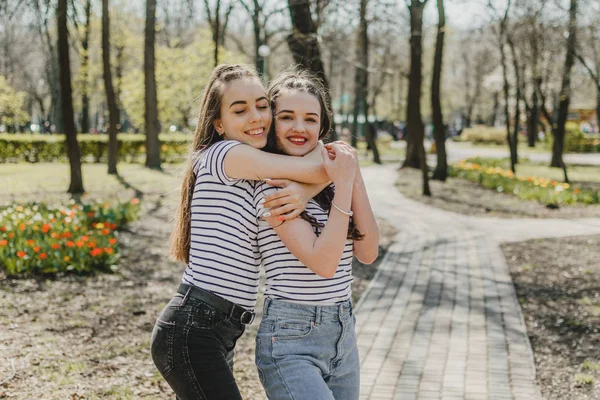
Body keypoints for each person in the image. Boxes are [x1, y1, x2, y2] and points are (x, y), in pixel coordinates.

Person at [150, 64, 330, 400]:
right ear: (219, 124)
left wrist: (311, 184)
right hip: (194, 328)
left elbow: (323, 163)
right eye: (240, 110)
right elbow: (320, 165)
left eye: (263, 106)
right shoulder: (226, 155)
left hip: (216, 329)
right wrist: (308, 188)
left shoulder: (251, 167)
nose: (256, 117)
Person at [254, 69, 379, 400]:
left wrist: (349, 176)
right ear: (271, 124)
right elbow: (324, 263)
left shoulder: (332, 176)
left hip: (343, 332)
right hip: (291, 340)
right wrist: (341, 184)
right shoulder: (270, 187)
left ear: (322, 127)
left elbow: (368, 253)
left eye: (310, 118)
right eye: (287, 117)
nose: (299, 127)